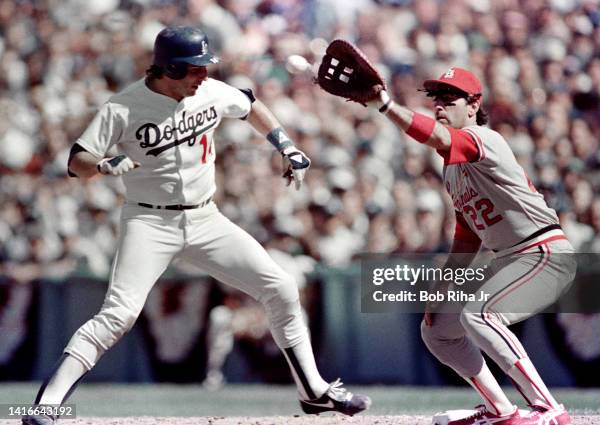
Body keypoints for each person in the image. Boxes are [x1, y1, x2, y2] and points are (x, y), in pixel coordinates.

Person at [22, 26, 370, 425]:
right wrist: (103, 165)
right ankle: (45, 406)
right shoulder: (124, 107)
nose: (203, 75)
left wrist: (285, 145)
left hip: (205, 217)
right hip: (149, 220)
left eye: (206, 67)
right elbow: (75, 161)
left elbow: (250, 104)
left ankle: (314, 392)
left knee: (281, 287)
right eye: (195, 69)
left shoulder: (210, 92)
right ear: (169, 68)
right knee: (119, 314)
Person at [361, 67, 575, 425]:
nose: (440, 107)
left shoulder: (484, 138)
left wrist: (385, 105)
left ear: (474, 104)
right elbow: (467, 234)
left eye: (450, 100)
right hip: (511, 260)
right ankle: (500, 411)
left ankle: (550, 409)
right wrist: (445, 285)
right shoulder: (453, 170)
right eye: (436, 101)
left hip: (544, 254)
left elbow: (437, 138)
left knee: (480, 314)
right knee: (437, 329)